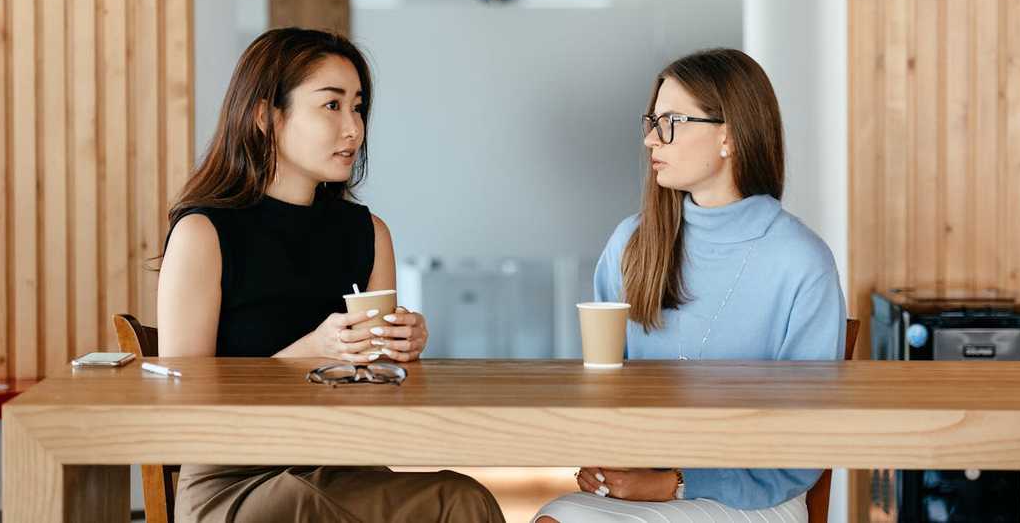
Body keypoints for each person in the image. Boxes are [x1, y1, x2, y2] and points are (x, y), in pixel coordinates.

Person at [158, 27, 504, 523]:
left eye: (358, 107)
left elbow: (383, 393)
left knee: (464, 498)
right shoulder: (204, 233)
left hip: (344, 466)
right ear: (264, 116)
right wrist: (311, 352)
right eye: (331, 105)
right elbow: (185, 402)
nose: (354, 128)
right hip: (234, 480)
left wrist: (402, 351)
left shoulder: (369, 233)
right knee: (305, 505)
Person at [535, 48, 846, 523]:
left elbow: (805, 441)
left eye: (671, 122)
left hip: (757, 498)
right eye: (651, 121)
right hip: (644, 484)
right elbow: (602, 384)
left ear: (729, 135)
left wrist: (676, 482)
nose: (650, 140)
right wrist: (604, 457)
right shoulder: (632, 242)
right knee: (556, 517)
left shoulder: (802, 261)